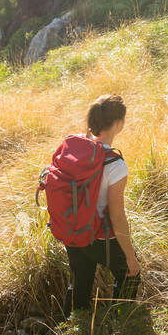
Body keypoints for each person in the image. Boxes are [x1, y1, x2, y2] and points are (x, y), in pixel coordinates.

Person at [61, 94, 140, 317]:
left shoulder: (75, 151)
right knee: (130, 274)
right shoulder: (115, 164)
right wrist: (130, 255)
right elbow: (117, 216)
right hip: (98, 236)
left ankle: (74, 333)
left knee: (79, 284)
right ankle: (122, 326)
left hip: (72, 230)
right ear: (118, 124)